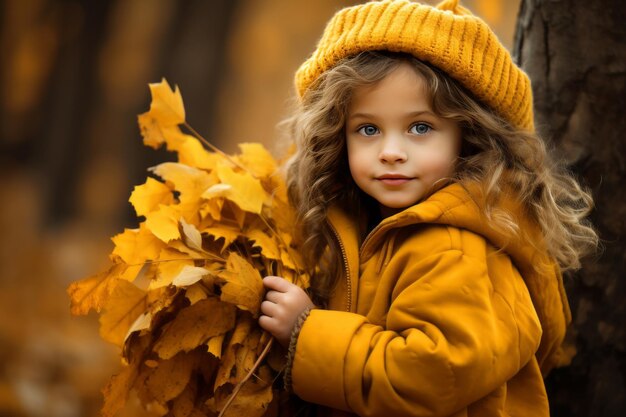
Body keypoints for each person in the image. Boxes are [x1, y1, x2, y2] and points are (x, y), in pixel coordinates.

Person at [258, 0, 598, 416]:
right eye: (368, 129)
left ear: (469, 137)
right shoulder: (368, 221)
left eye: (420, 127)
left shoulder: (455, 247)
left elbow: (428, 376)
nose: (391, 152)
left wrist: (306, 333)